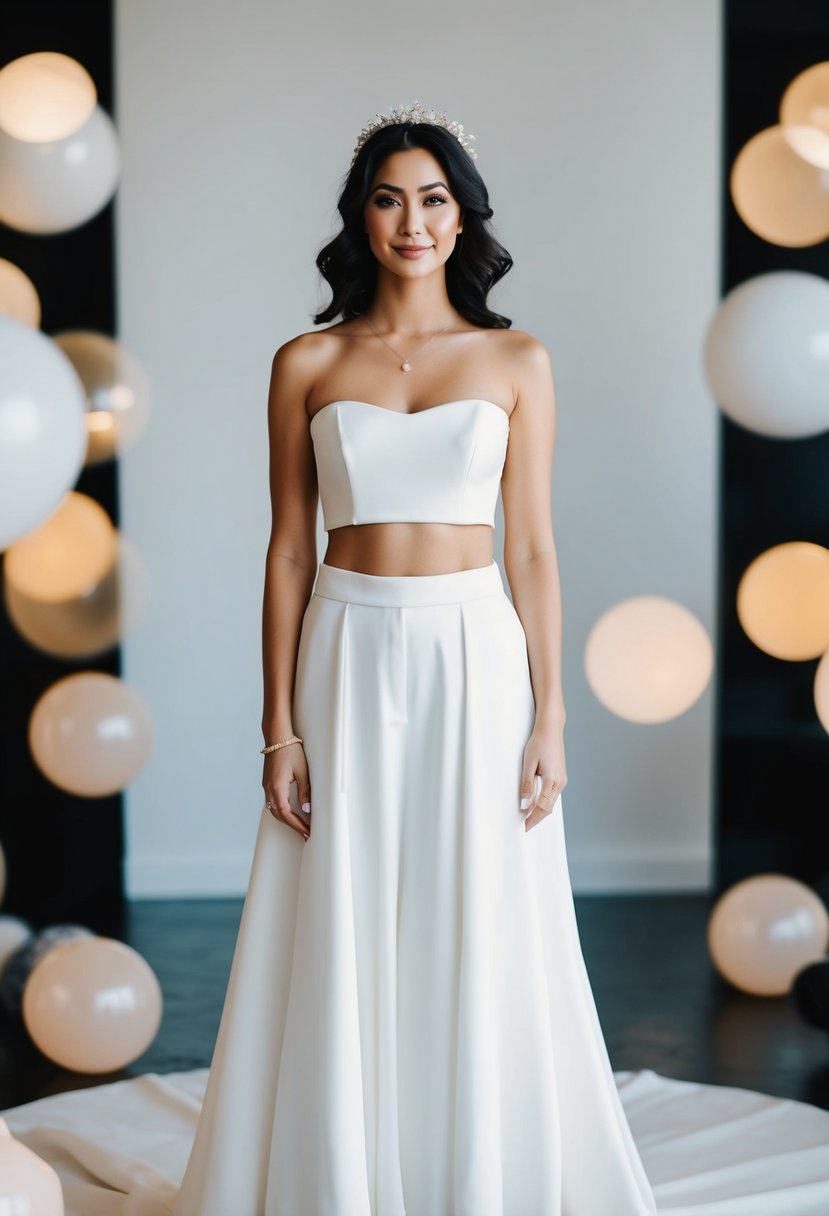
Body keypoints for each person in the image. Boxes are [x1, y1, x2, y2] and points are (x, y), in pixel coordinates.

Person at [173, 101, 657, 1216]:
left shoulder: (516, 359)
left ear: (461, 216)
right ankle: (339, 1168)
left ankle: (465, 1167)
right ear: (360, 216)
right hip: (344, 645)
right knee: (338, 903)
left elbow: (531, 547)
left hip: (472, 652)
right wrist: (277, 727)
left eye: (432, 198)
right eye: (388, 198)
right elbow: (289, 550)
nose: (411, 220)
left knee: (474, 897)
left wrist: (550, 717)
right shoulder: (305, 361)